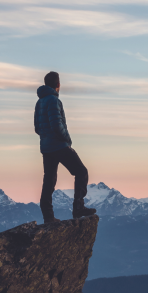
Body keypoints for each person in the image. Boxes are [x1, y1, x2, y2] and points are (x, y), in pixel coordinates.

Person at [34, 71, 96, 223]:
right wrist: (66, 139)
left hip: (46, 147)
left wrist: (46, 137)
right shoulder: (54, 101)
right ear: (58, 85)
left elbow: (37, 128)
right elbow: (57, 125)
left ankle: (48, 216)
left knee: (49, 180)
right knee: (81, 172)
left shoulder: (39, 102)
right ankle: (78, 207)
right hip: (59, 145)